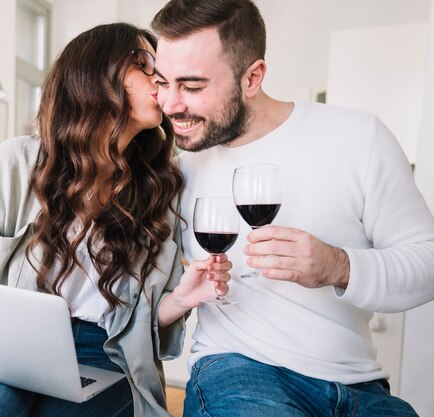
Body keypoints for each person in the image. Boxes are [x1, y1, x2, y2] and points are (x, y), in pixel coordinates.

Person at [0, 22, 232, 417]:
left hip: (106, 350)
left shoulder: (164, 187)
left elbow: (147, 328)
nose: (160, 77)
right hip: (14, 345)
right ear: (94, 76)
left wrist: (182, 299)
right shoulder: (15, 164)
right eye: (144, 63)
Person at [150, 1, 434, 416]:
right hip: (238, 371)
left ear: (253, 77)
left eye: (192, 87)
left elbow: (427, 263)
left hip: (360, 383)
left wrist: (338, 266)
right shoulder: (177, 171)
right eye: (163, 82)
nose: (171, 104)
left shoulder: (358, 138)